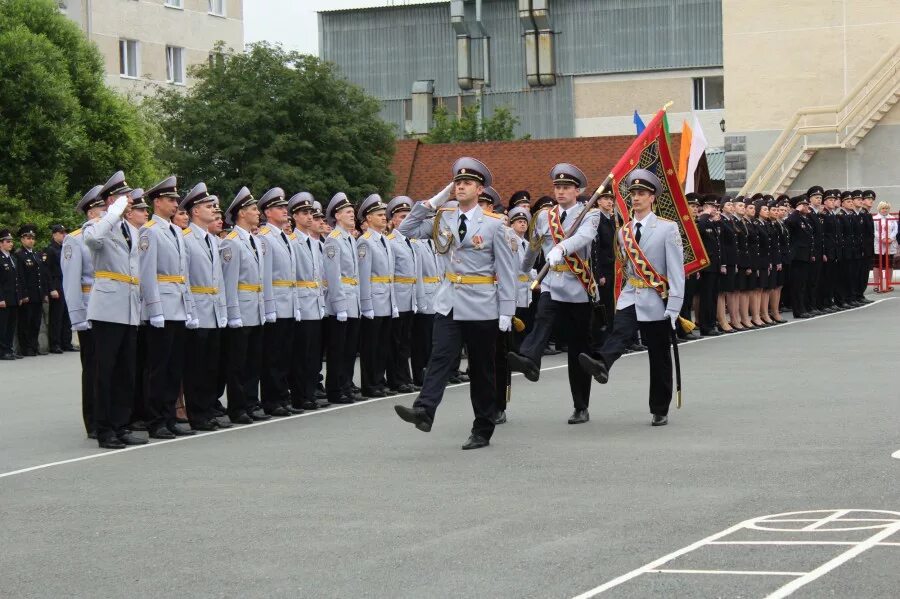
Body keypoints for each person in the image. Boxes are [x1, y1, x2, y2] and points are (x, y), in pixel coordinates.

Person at [394, 157, 518, 450]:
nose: (460, 186)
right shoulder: (443, 216)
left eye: (467, 183)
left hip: (482, 304)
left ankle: (482, 428)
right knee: (440, 357)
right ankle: (424, 410)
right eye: (457, 182)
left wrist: (507, 310)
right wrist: (434, 201)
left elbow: (507, 269)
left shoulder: (494, 224)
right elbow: (406, 229)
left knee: (482, 369)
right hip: (449, 302)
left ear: (479, 190)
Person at [578, 168, 685, 427]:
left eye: (641, 193)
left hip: (657, 297)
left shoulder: (667, 229)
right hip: (631, 294)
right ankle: (602, 363)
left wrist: (674, 307)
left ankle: (660, 408)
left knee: (659, 355)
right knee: (620, 331)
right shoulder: (623, 232)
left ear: (652, 198)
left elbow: (676, 270)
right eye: (633, 193)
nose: (635, 198)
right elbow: (625, 268)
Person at [507, 163, 601, 424]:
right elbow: (534, 248)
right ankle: (528, 359)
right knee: (542, 319)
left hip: (578, 286)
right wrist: (523, 272)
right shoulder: (543, 216)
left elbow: (583, 238)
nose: (560, 192)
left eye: (566, 187)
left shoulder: (589, 214)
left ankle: (581, 405)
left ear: (577, 190)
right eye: (557, 187)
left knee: (578, 350)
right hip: (551, 282)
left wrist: (562, 248)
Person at [83, 171, 144, 449]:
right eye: (123, 197)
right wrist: (112, 211)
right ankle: (103, 428)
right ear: (110, 200)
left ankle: (121, 425)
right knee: (104, 371)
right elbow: (93, 239)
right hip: (107, 308)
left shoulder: (130, 230)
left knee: (125, 372)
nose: (130, 201)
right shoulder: (97, 225)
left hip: (129, 307)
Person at [138, 176, 196, 439]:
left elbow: (184, 274)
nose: (175, 204)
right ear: (157, 202)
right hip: (162, 304)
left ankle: (170, 415)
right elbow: (147, 273)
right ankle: (156, 419)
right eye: (171, 199)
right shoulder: (149, 231)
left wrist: (190, 308)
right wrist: (154, 308)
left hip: (179, 305)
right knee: (158, 367)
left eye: (176, 200)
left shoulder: (175, 231)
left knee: (175, 366)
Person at [180, 183, 230, 431]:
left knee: (212, 364)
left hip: (213, 309)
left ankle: (209, 408)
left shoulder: (212, 240)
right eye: (209, 207)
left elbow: (218, 279)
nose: (214, 210)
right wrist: (189, 310)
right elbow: (185, 278)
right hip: (198, 308)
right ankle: (197, 413)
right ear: (195, 211)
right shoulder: (186, 238)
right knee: (196, 366)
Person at [220, 187, 270, 424]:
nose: (257, 213)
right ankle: (238, 407)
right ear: (241, 213)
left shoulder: (255, 241)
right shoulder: (232, 242)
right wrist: (233, 313)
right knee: (238, 363)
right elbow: (229, 283)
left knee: (253, 361)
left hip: (256, 308)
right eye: (252, 209)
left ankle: (251, 401)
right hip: (241, 307)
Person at [257, 187, 303, 416]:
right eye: (279, 208)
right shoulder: (264, 238)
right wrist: (268, 306)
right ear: (267, 212)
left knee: (285, 354)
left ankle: (282, 397)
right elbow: (265, 276)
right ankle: (272, 400)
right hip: (275, 302)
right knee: (273, 357)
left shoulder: (285, 236)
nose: (285, 211)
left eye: (285, 207)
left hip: (288, 303)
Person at [61, 186, 103, 435]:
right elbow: (71, 281)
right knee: (93, 366)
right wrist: (77, 317)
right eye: (101, 210)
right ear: (90, 213)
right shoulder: (75, 239)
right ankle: (94, 420)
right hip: (88, 308)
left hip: (111, 308)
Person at [392, 196, 440, 388]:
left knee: (428, 340)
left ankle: (424, 374)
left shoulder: (430, 242)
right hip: (409, 296)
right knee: (412, 342)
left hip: (428, 295)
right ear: (393, 220)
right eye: (401, 216)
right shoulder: (411, 242)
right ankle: (410, 376)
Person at [288, 192, 327, 411]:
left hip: (315, 302)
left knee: (313, 353)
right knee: (301, 353)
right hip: (301, 303)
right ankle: (300, 395)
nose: (310, 217)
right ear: (294, 216)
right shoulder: (292, 242)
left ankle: (310, 392)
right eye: (304, 213)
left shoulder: (314, 243)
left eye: (311, 213)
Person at [323, 192, 363, 405]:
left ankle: (346, 385)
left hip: (353, 299)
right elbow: (333, 275)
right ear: (337, 216)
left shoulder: (350, 239)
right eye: (348, 212)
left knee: (349, 350)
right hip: (341, 301)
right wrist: (339, 306)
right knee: (337, 350)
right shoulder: (333, 240)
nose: (352, 215)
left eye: (352, 212)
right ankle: (335, 389)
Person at [356, 194, 397, 399]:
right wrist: (366, 304)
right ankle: (370, 384)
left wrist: (394, 303)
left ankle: (379, 381)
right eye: (379, 215)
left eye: (384, 215)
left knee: (382, 345)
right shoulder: (365, 242)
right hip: (374, 299)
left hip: (387, 299)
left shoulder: (385, 241)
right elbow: (364, 276)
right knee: (371, 346)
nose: (384, 218)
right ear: (368, 218)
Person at [385, 197, 419, 395]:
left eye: (408, 217)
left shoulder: (409, 242)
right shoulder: (390, 242)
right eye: (401, 217)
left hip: (409, 297)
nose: (405, 220)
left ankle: (405, 377)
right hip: (397, 296)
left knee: (405, 341)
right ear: (393, 221)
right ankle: (396, 379)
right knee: (395, 341)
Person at [590, 188, 618, 345]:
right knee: (603, 306)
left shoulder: (612, 220)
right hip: (603, 271)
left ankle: (611, 338)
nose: (609, 201)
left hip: (614, 268)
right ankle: (601, 340)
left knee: (612, 304)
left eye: (611, 198)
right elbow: (596, 249)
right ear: (598, 201)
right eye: (605, 198)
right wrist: (598, 273)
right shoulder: (597, 220)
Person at [14, 224, 46, 357]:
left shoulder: (37, 255)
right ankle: (26, 347)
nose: (31, 240)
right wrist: (24, 294)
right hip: (28, 295)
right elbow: (20, 277)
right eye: (27, 238)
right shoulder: (19, 255)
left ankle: (34, 346)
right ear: (22, 240)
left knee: (35, 323)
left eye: (32, 238)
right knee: (25, 323)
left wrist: (44, 293)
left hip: (38, 295)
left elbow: (41, 275)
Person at [695, 196, 722, 336]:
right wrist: (705, 214)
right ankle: (705, 326)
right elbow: (699, 229)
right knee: (706, 297)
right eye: (712, 207)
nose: (715, 210)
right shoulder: (702, 221)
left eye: (716, 207)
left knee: (713, 297)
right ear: (705, 207)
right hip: (707, 266)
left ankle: (711, 323)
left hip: (715, 265)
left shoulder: (711, 223)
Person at [44, 224, 72, 353]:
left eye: (64, 233)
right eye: (61, 233)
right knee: (57, 316)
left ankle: (66, 342)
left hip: (66, 283)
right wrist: (51, 288)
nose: (64, 235)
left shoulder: (65, 248)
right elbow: (47, 271)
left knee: (67, 315)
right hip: (57, 284)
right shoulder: (50, 250)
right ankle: (55, 344)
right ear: (54, 234)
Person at [785, 194, 814, 318]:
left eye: (807, 204)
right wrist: (796, 211)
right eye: (804, 205)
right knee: (797, 285)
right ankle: (798, 310)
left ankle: (802, 308)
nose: (807, 207)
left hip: (805, 256)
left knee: (802, 284)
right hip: (797, 257)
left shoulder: (805, 219)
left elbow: (809, 238)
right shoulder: (795, 218)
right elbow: (789, 223)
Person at [0, 228, 19, 360]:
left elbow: (17, 280)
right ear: (1, 243)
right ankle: (2, 351)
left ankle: (9, 349)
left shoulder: (12, 258)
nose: (11, 244)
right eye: (8, 241)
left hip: (13, 297)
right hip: (4, 298)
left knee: (11, 325)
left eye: (11, 241)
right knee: (3, 326)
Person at [872, 200, 897, 292]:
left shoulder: (892, 218)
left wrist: (890, 238)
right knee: (877, 265)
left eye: (886, 208)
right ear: (879, 208)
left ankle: (888, 284)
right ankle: (876, 284)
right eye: (883, 208)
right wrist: (882, 239)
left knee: (889, 265)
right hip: (879, 243)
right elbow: (875, 231)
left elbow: (895, 230)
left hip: (890, 244)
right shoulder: (875, 218)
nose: (885, 210)